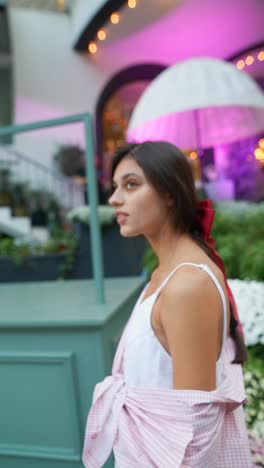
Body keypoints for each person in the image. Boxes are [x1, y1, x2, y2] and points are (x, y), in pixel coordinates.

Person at [82, 141, 251, 467]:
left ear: (170, 193)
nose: (114, 199)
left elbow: (195, 433)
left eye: (131, 185)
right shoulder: (166, 271)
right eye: (115, 187)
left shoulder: (187, 285)